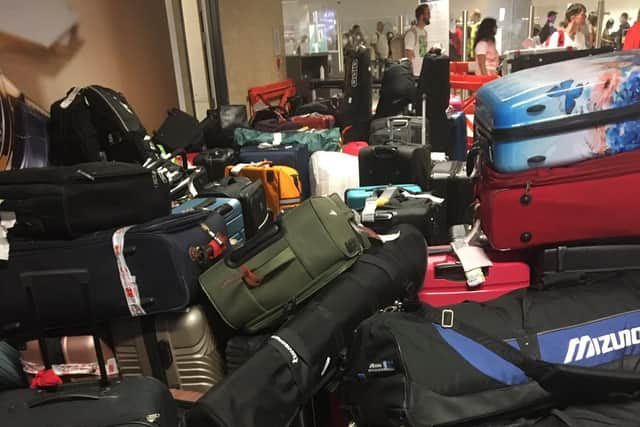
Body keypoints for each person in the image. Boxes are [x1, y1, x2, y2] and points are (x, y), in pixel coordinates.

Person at [404, 4, 431, 77]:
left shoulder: (425, 32)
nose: (429, 16)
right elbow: (408, 55)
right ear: (421, 16)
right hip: (414, 74)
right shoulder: (411, 33)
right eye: (428, 14)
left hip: (423, 71)